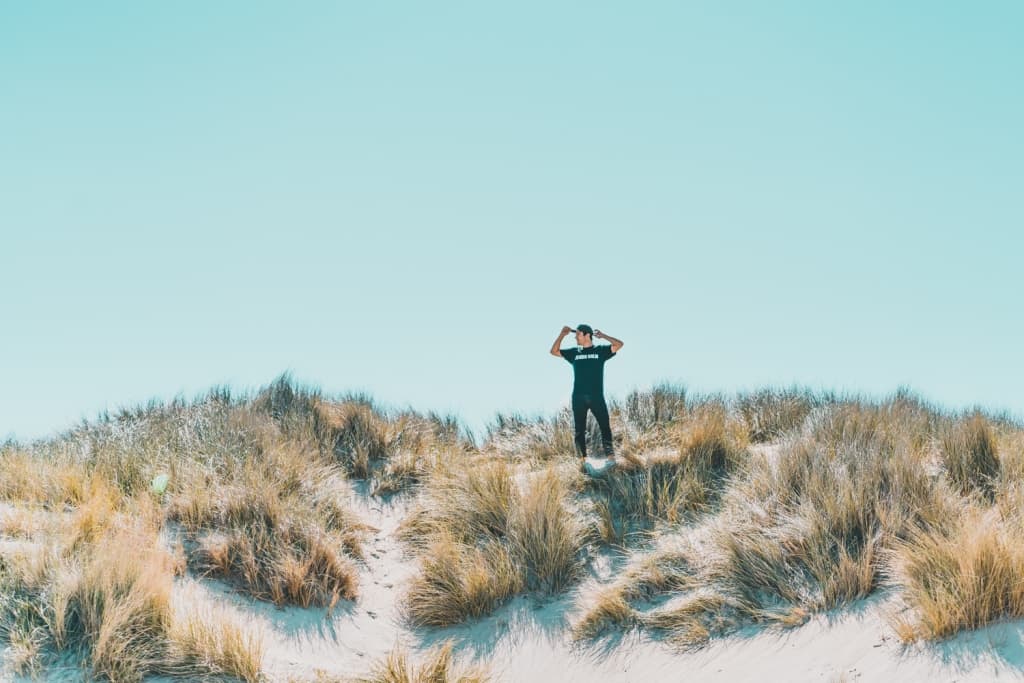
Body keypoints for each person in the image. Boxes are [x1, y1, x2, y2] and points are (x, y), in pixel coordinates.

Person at [549, 324, 624, 465]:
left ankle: (611, 459)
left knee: (604, 426)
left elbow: (619, 344)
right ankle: (582, 461)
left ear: (587, 335)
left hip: (596, 396)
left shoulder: (600, 351)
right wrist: (562, 334)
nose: (575, 338)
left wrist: (603, 336)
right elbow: (554, 351)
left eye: (578, 334)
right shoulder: (574, 353)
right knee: (579, 430)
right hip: (578, 397)